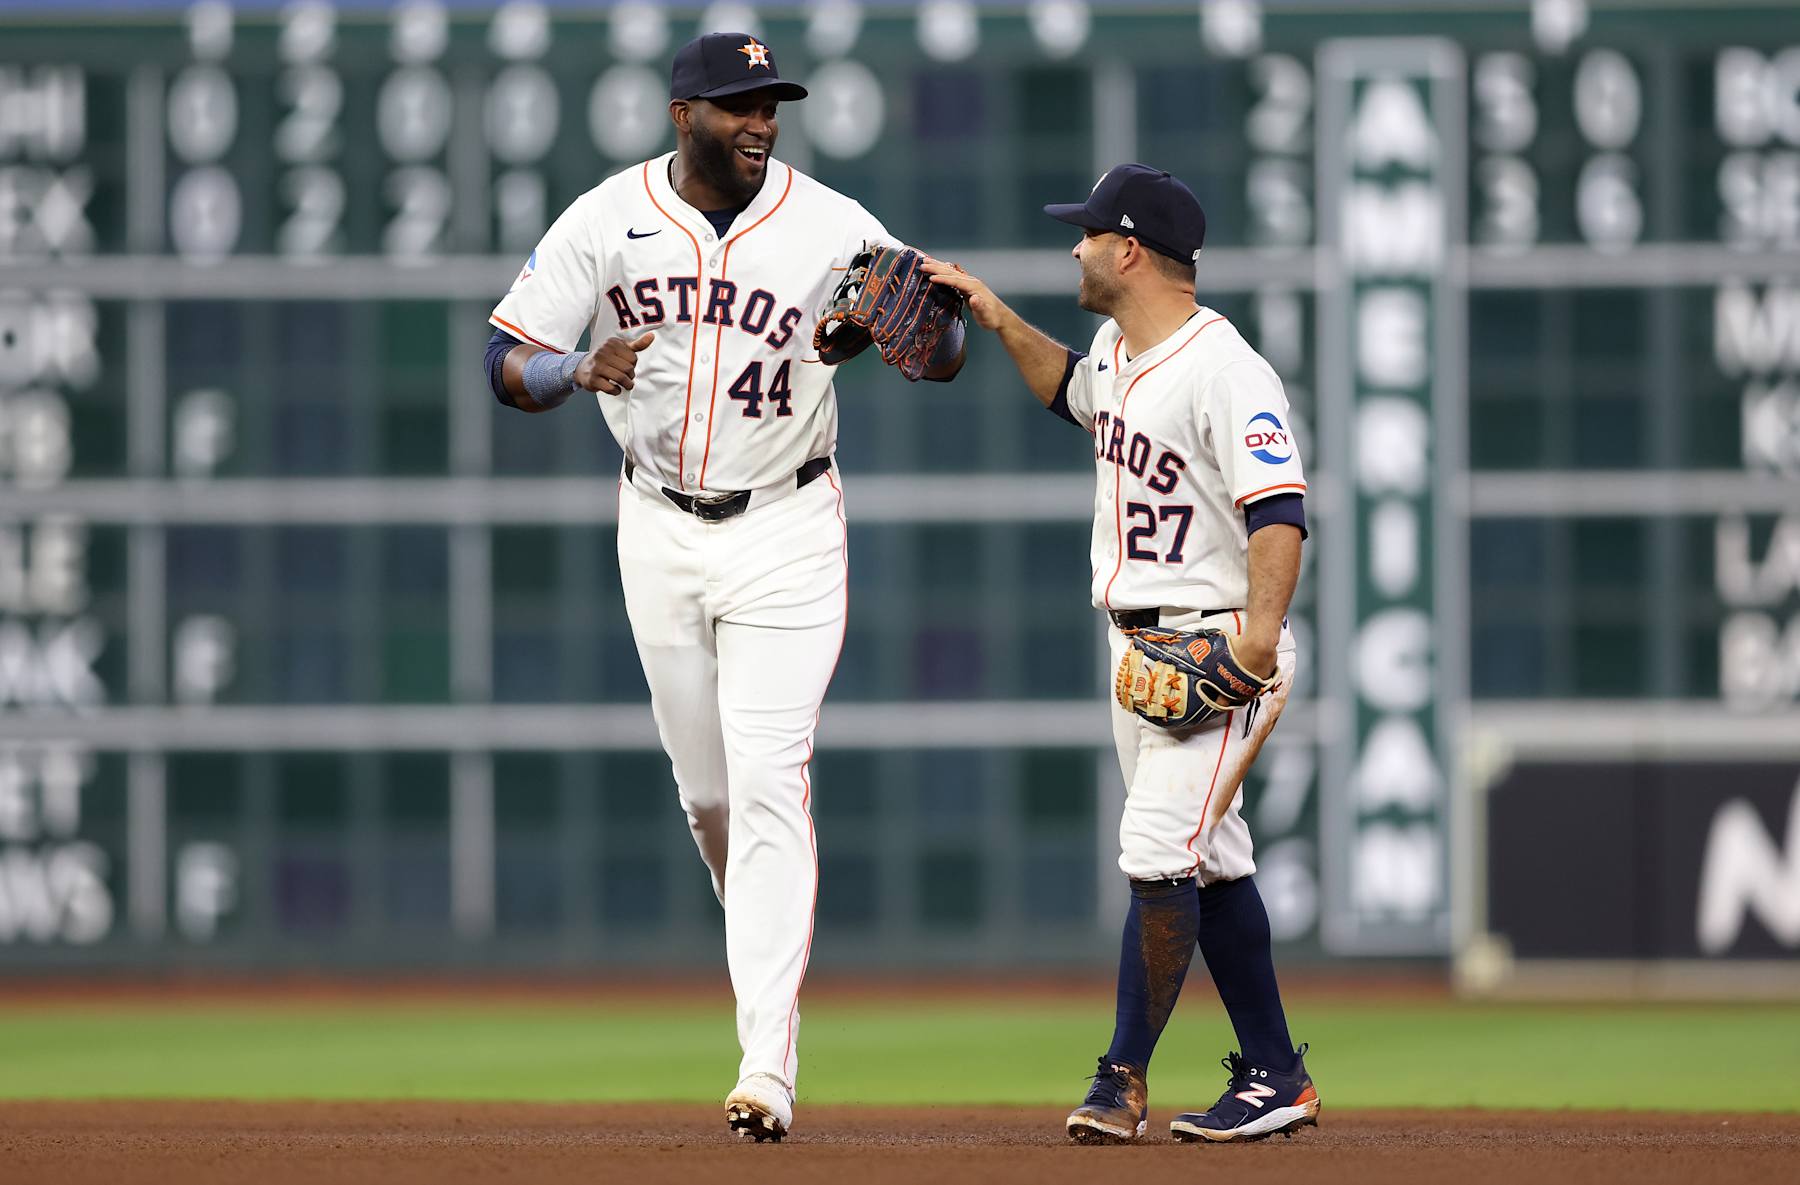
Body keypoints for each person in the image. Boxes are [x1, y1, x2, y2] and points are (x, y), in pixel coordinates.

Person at [482, 32, 965, 1143]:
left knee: (766, 777)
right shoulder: (607, 219)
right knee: (708, 796)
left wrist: (903, 338)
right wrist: (571, 367)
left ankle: (767, 1067)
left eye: (772, 104)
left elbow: (939, 347)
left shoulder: (832, 223)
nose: (762, 121)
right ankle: (767, 948)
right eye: (740, 104)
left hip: (787, 525)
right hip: (654, 525)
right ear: (681, 113)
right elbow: (503, 360)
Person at [923, 164, 1318, 1144]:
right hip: (1140, 653)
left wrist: (1257, 648)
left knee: (1153, 850)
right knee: (1213, 860)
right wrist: (995, 313)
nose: (1075, 246)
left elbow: (1279, 514)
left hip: (1219, 643)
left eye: (1087, 232)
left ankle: (1119, 1080)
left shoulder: (1228, 369)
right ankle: (1276, 1075)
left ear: (1129, 249)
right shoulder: (1117, 353)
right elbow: (1069, 390)